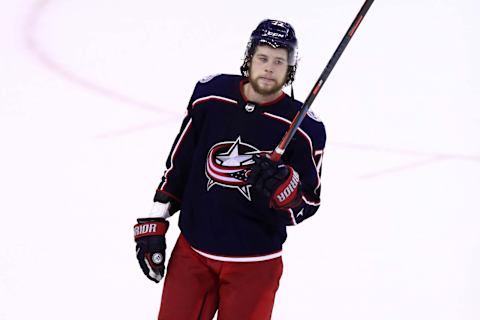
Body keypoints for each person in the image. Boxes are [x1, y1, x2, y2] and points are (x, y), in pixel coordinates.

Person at [133, 19, 326, 320]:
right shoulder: (211, 97)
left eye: (279, 61)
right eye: (263, 58)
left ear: (290, 69)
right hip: (193, 254)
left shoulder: (305, 130)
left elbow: (308, 203)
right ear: (249, 58)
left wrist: (287, 192)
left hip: (255, 264)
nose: (269, 67)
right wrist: (155, 217)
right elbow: (180, 163)